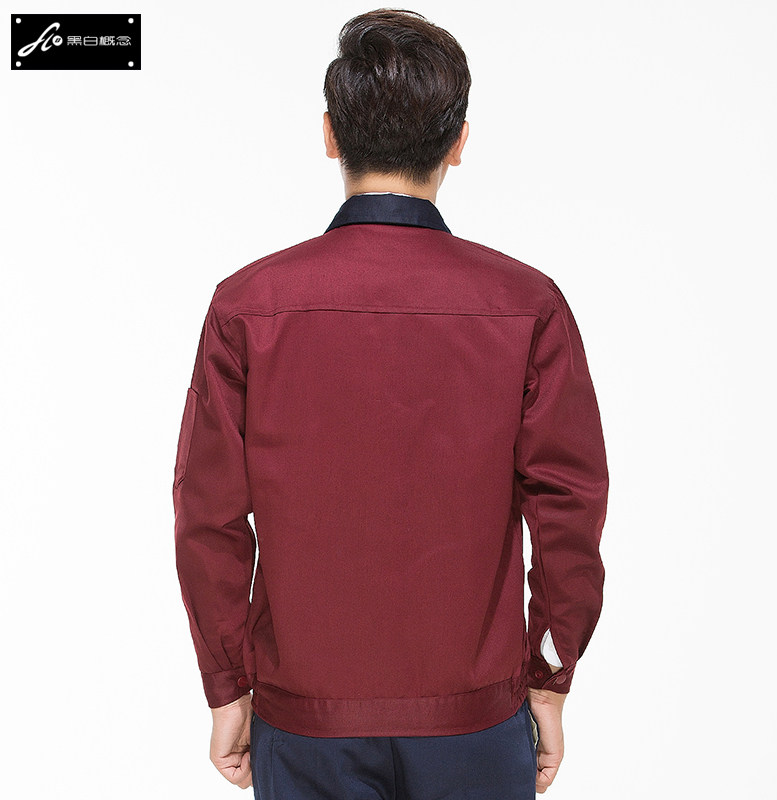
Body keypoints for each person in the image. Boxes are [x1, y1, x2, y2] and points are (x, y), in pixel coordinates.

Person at [173, 8, 609, 798]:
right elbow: (569, 509)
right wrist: (549, 680)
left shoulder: (247, 306)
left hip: (305, 722)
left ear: (330, 135)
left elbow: (207, 515)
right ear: (459, 142)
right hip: (476, 722)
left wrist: (228, 688)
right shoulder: (527, 304)